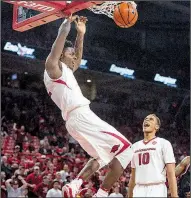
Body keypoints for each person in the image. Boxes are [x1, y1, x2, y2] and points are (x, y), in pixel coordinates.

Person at [44, 15, 133, 197]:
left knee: (101, 157)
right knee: (127, 149)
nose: (74, 56)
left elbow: (77, 59)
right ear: (61, 54)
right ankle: (101, 194)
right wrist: (66, 21)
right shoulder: (53, 68)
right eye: (70, 53)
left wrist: (81, 34)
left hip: (74, 121)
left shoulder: (64, 71)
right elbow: (58, 43)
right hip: (81, 116)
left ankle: (74, 185)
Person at [128, 114, 178, 197]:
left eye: (151, 119)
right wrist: (129, 196)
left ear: (157, 127)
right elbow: (133, 176)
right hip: (138, 189)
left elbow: (171, 173)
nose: (146, 120)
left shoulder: (164, 143)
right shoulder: (134, 146)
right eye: (145, 119)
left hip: (157, 188)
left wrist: (174, 195)